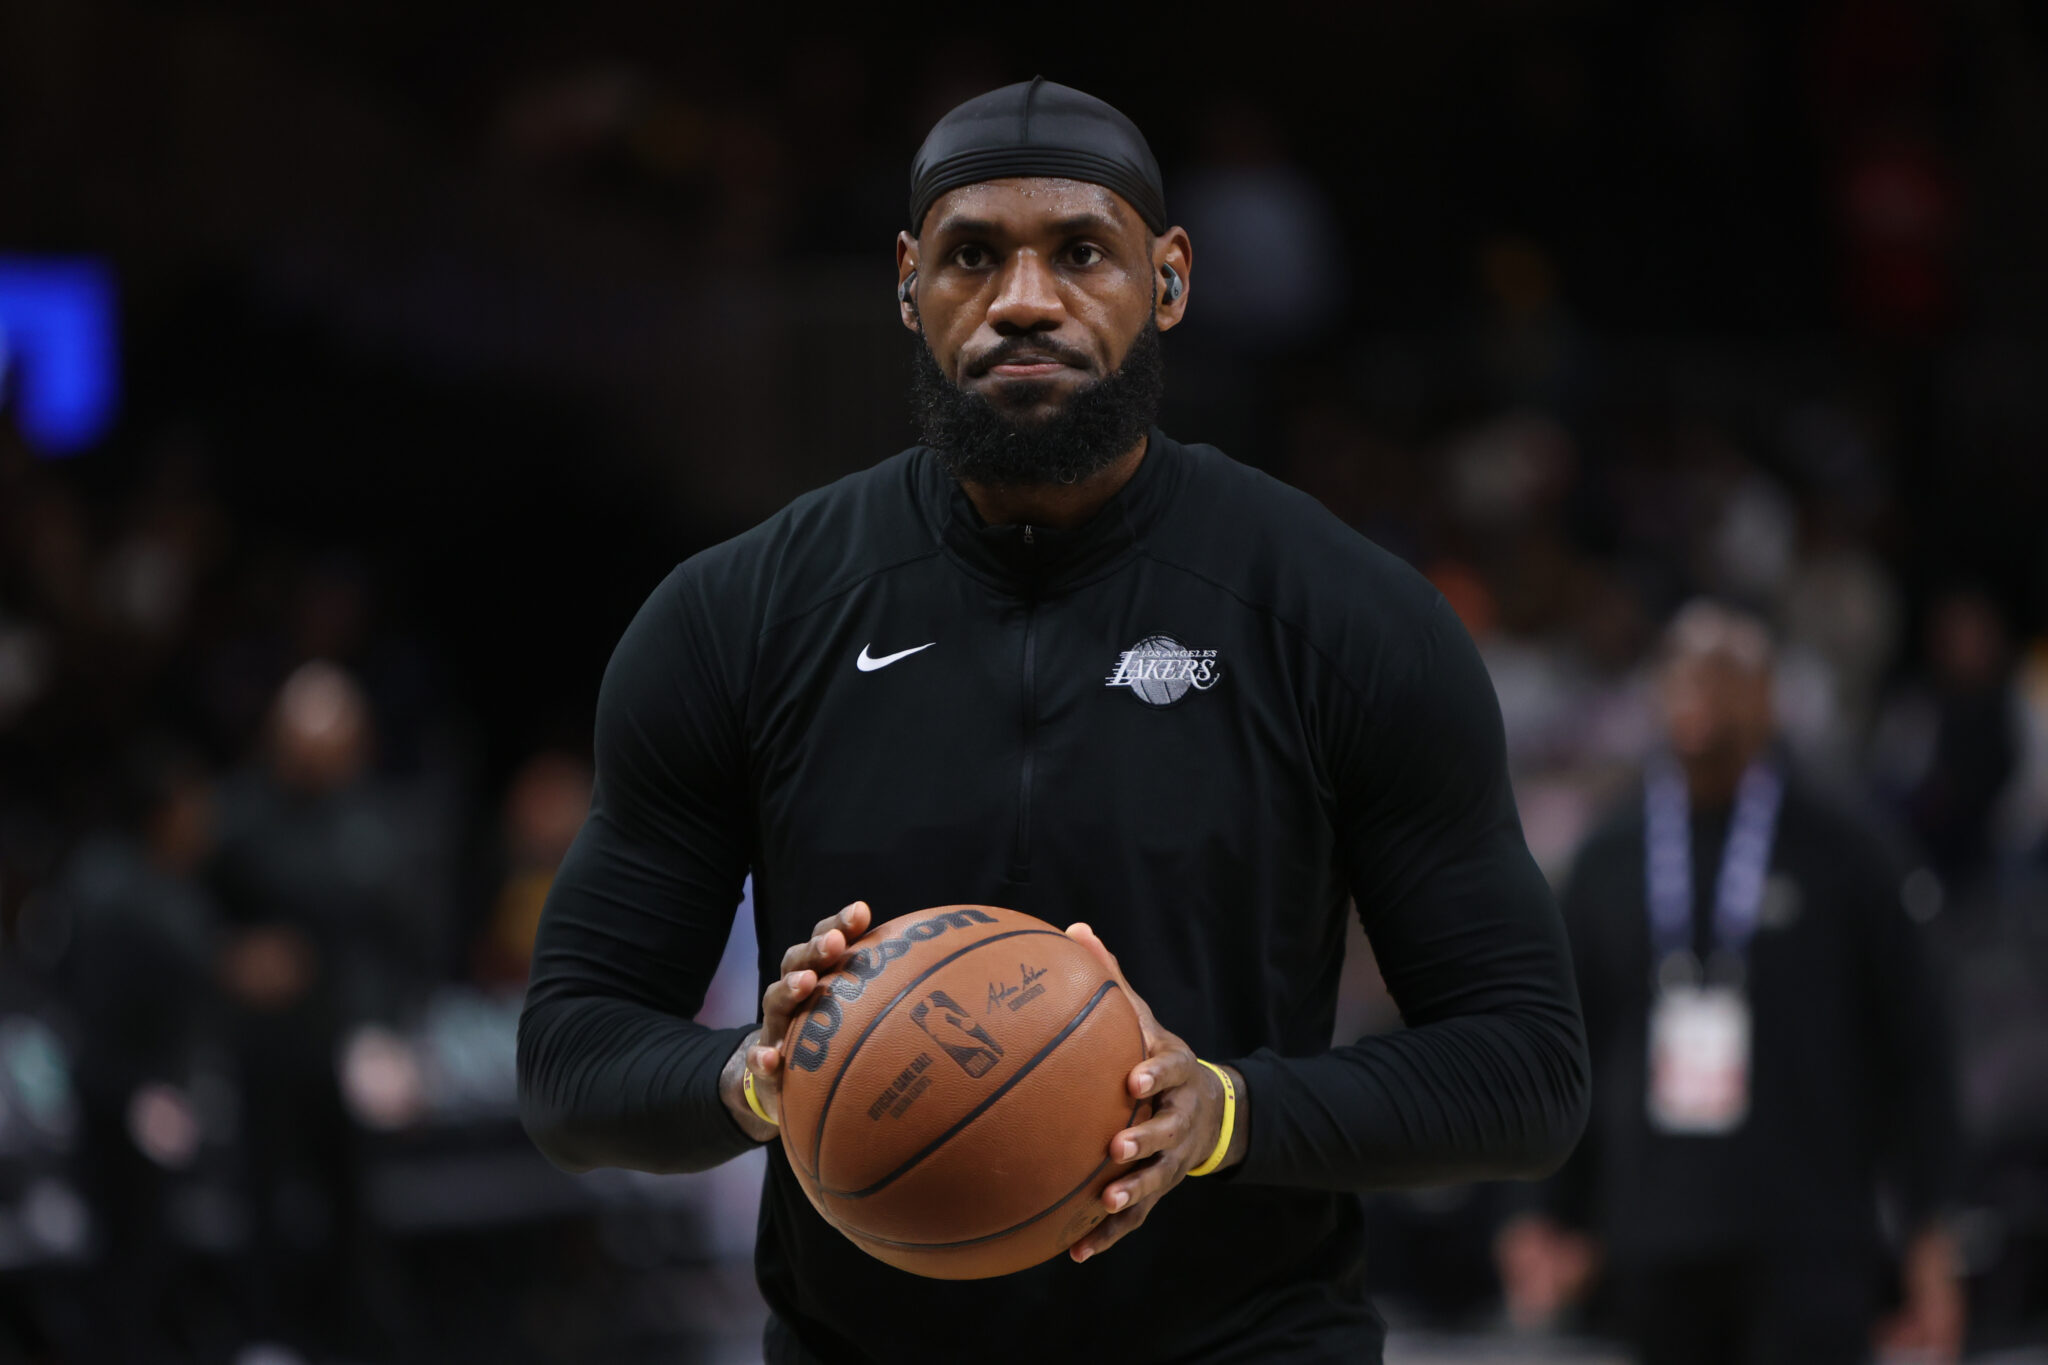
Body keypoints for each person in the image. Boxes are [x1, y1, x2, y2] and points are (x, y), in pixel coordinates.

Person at [519, 79, 1589, 1364]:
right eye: (972, 255)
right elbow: (569, 1060)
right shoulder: (737, 616)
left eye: (1081, 252)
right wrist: (752, 1079)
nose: (1023, 299)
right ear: (907, 284)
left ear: (1170, 279)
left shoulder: (1343, 615)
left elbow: (1523, 1072)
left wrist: (1226, 1114)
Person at [1497, 600, 1964, 1365]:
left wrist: (1930, 1232)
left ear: (1769, 697)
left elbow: (1916, 1047)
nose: (1700, 691)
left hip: (1810, 1234)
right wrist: (1538, 1209)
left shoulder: (1848, 849)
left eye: (1725, 672)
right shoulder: (1610, 855)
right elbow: (1559, 1043)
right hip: (1652, 1235)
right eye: (1682, 672)